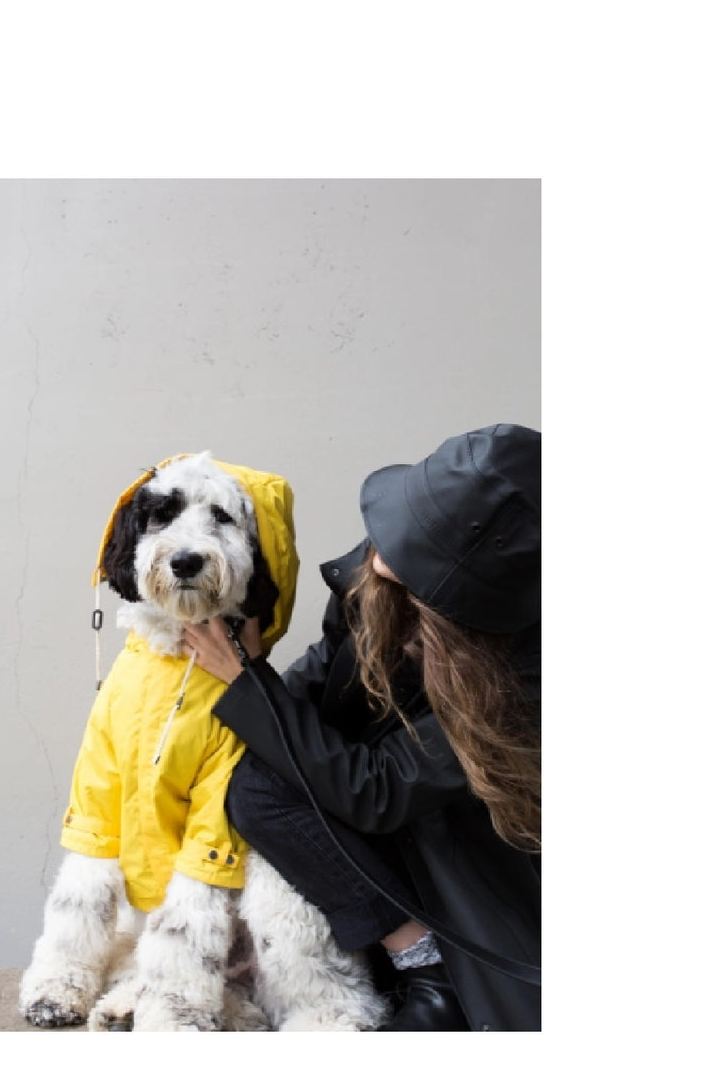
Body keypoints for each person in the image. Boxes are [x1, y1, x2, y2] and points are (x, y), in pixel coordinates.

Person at [182, 423, 541, 1031]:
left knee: (288, 784)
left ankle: (429, 968)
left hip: (464, 844)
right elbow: (316, 691)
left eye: (416, 551)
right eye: (401, 527)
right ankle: (383, 958)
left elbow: (379, 791)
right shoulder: (376, 578)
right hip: (386, 823)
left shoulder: (529, 675)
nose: (380, 551)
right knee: (258, 783)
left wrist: (247, 688)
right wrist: (252, 681)